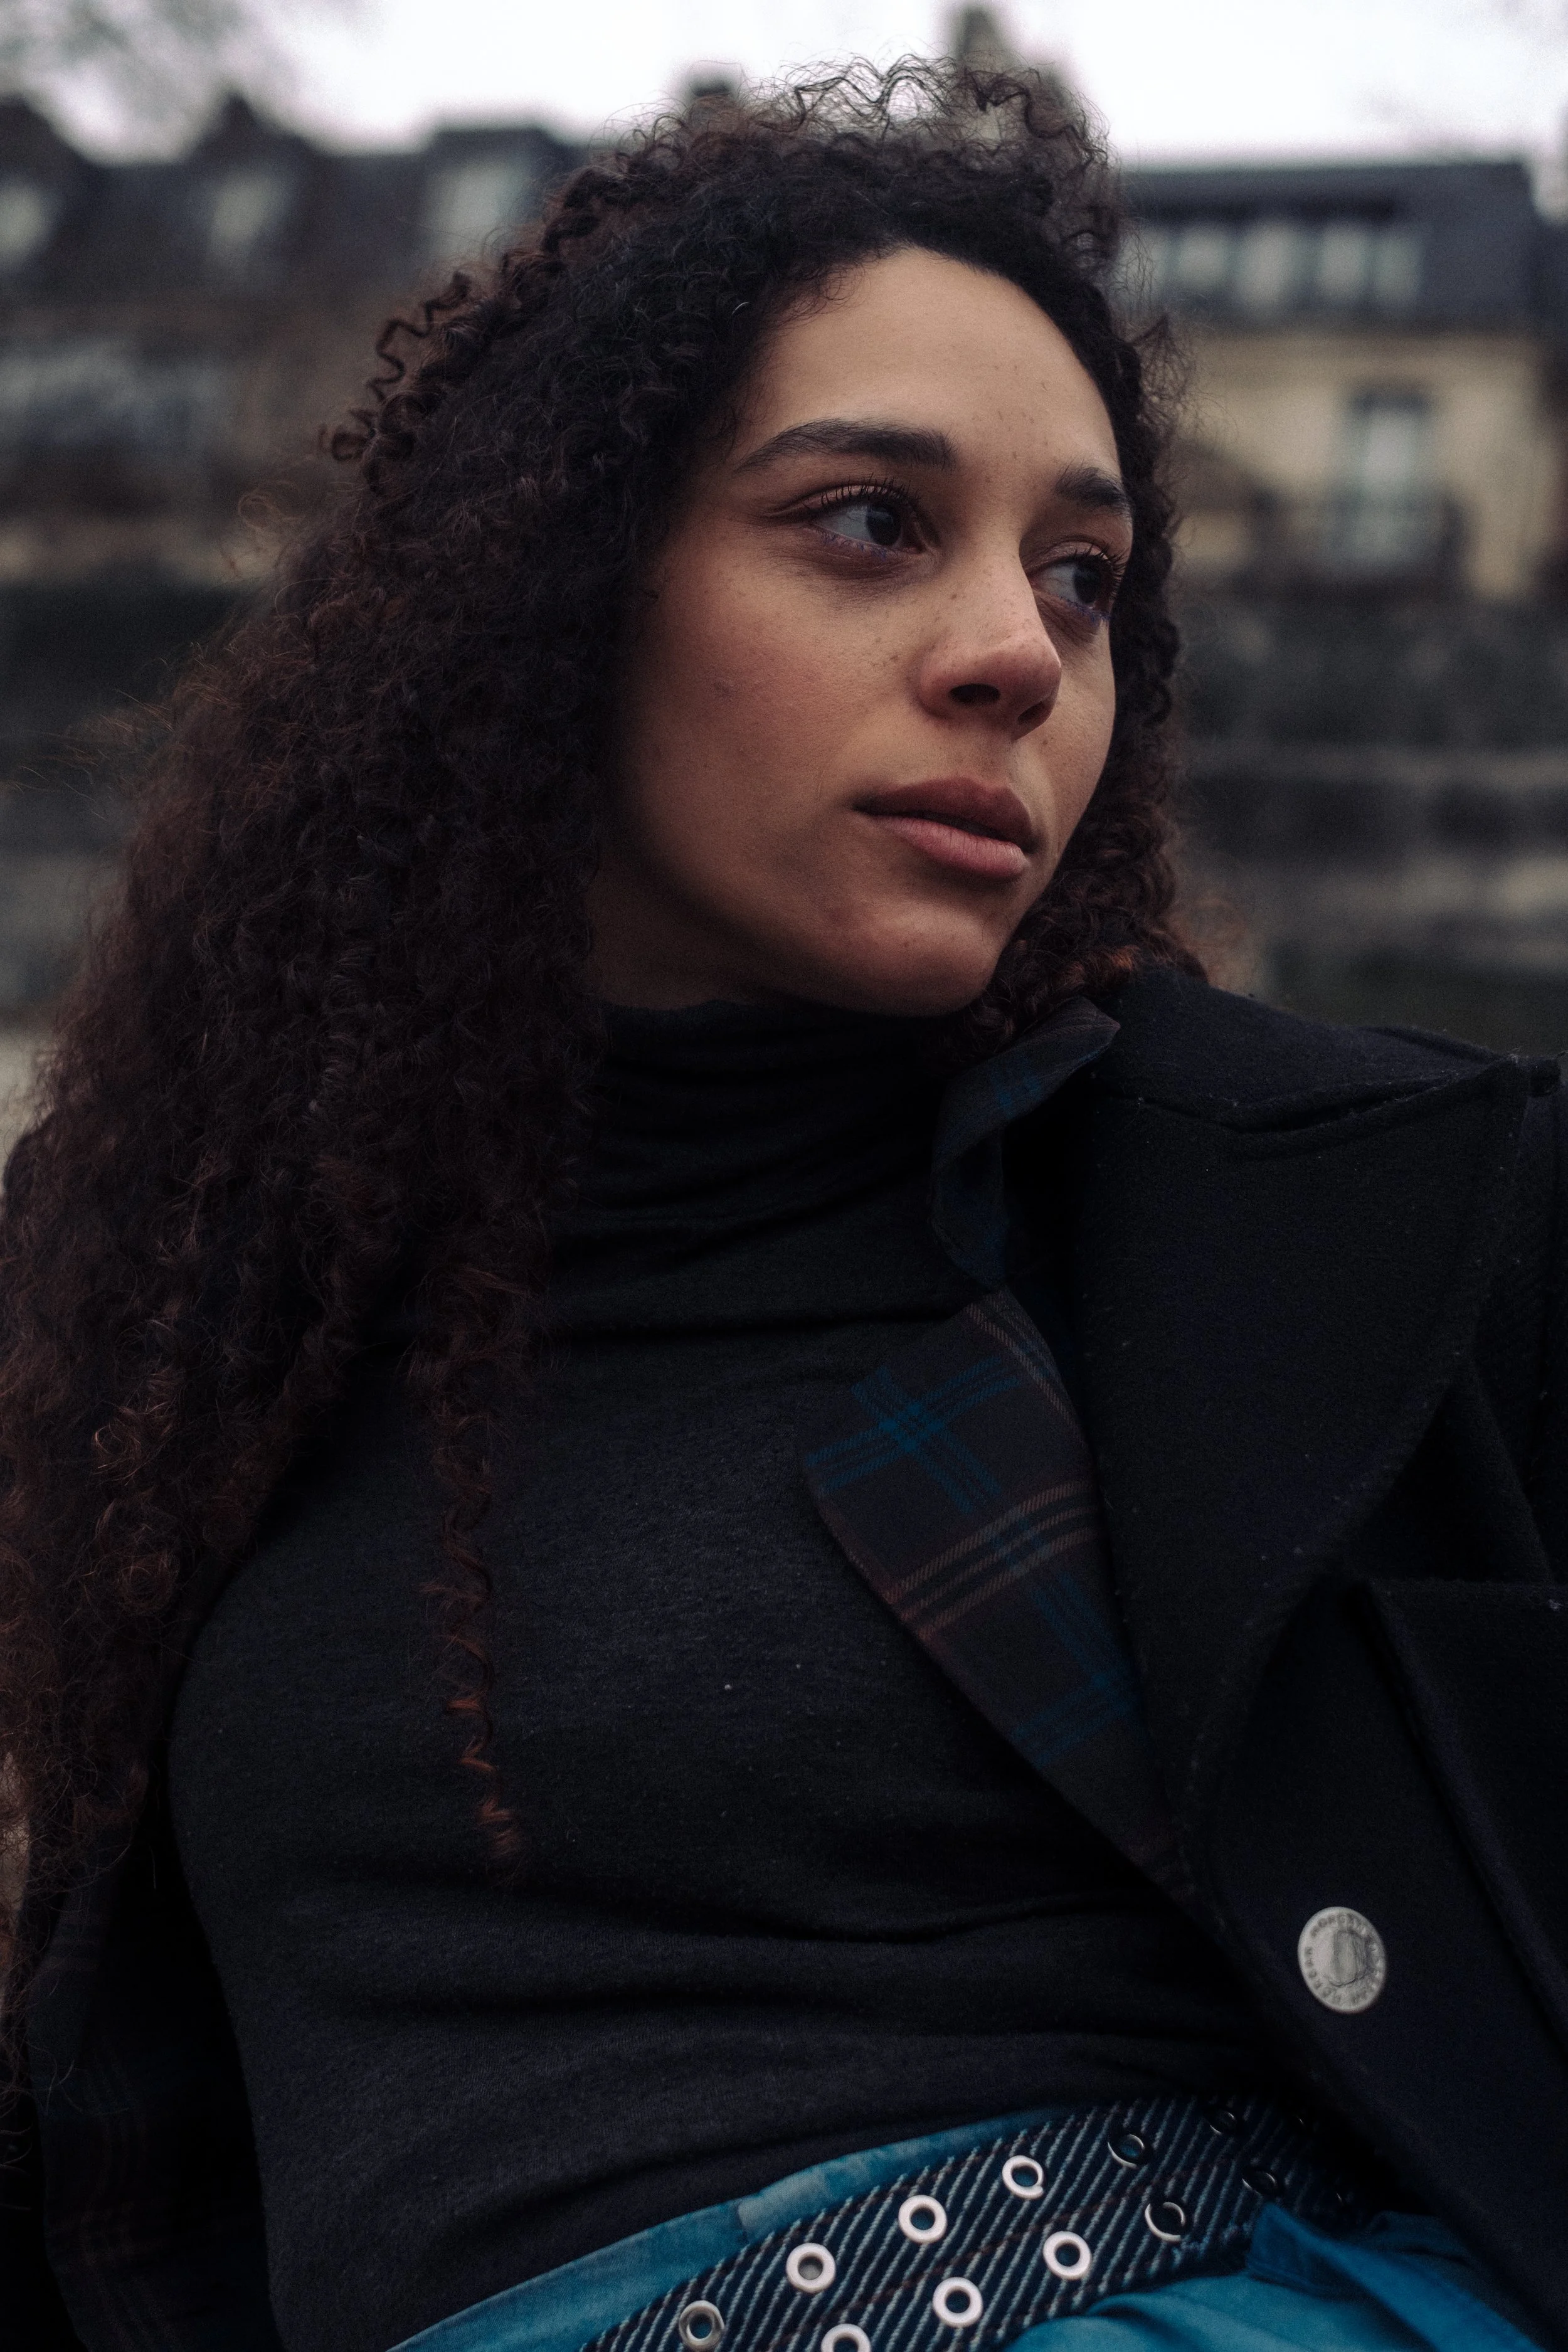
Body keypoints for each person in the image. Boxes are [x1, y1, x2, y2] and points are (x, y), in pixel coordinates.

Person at [0, 61, 1564, 2352]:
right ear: (549, 581)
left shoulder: (1377, 1225)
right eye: (865, 521)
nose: (1018, 651)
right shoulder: (174, 1276)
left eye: (1084, 577)